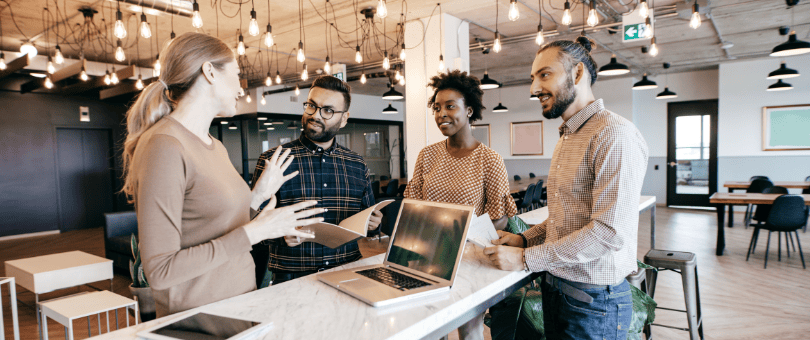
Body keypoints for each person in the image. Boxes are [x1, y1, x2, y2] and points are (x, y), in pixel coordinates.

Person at [122, 32, 325, 317]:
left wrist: (258, 196)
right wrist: (257, 231)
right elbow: (161, 271)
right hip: (200, 319)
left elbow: (216, 226)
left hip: (238, 305)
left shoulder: (213, 145)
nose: (242, 88)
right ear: (209, 72)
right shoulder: (164, 145)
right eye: (237, 74)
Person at [484, 36, 649, 340]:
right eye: (533, 78)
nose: (533, 89)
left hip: (594, 302)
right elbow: (566, 217)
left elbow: (607, 233)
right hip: (558, 290)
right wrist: (524, 240)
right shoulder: (568, 136)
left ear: (577, 73)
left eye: (544, 75)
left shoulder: (614, 135)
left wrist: (525, 260)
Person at [404, 70, 518, 340]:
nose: (441, 113)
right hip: (426, 255)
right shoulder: (427, 155)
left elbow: (500, 219)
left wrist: (460, 234)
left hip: (469, 257)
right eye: (437, 107)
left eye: (450, 106)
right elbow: (412, 204)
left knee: (470, 333)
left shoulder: (489, 159)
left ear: (469, 110)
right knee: (431, 329)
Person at [251, 75, 382, 285]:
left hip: (348, 272)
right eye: (311, 106)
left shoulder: (357, 164)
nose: (315, 115)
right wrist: (282, 235)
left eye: (328, 110)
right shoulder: (273, 160)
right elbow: (252, 225)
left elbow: (366, 222)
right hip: (292, 279)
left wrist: (374, 224)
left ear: (344, 118)